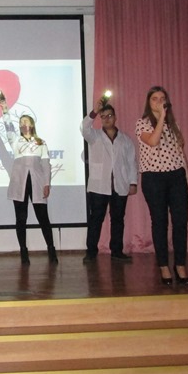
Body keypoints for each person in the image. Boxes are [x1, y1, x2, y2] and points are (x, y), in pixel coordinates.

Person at [135, 86, 188, 286]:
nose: (159, 102)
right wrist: (161, 118)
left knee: (180, 221)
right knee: (160, 222)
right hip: (153, 178)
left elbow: (180, 153)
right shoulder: (142, 123)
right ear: (149, 102)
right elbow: (153, 141)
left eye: (162, 98)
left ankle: (180, 264)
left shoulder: (173, 124)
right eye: (155, 99)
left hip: (176, 176)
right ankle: (163, 266)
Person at [0, 96, 58, 266]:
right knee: (21, 218)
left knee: (43, 217)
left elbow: (46, 164)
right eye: (21, 122)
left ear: (32, 124)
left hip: (37, 183)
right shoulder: (16, 141)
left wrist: (47, 183)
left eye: (26, 121)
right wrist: (4, 109)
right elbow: (8, 127)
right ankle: (23, 251)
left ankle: (51, 249)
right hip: (20, 183)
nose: (23, 124)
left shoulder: (41, 142)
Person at [81, 97, 138, 265]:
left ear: (115, 117)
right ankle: (91, 252)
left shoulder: (125, 140)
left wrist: (133, 182)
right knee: (96, 219)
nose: (106, 119)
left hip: (120, 185)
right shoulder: (94, 136)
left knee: (118, 219)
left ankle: (117, 251)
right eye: (103, 116)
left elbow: (131, 162)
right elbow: (83, 127)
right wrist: (94, 112)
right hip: (99, 186)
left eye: (110, 115)